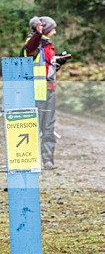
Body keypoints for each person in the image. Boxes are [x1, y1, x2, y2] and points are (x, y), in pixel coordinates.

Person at [23, 16, 69, 170]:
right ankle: (30, 161)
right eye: (52, 28)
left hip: (49, 91)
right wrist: (38, 33)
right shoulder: (33, 43)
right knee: (33, 128)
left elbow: (47, 68)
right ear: (45, 29)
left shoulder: (48, 45)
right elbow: (29, 50)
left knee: (49, 128)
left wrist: (58, 63)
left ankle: (48, 161)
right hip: (35, 93)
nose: (54, 31)